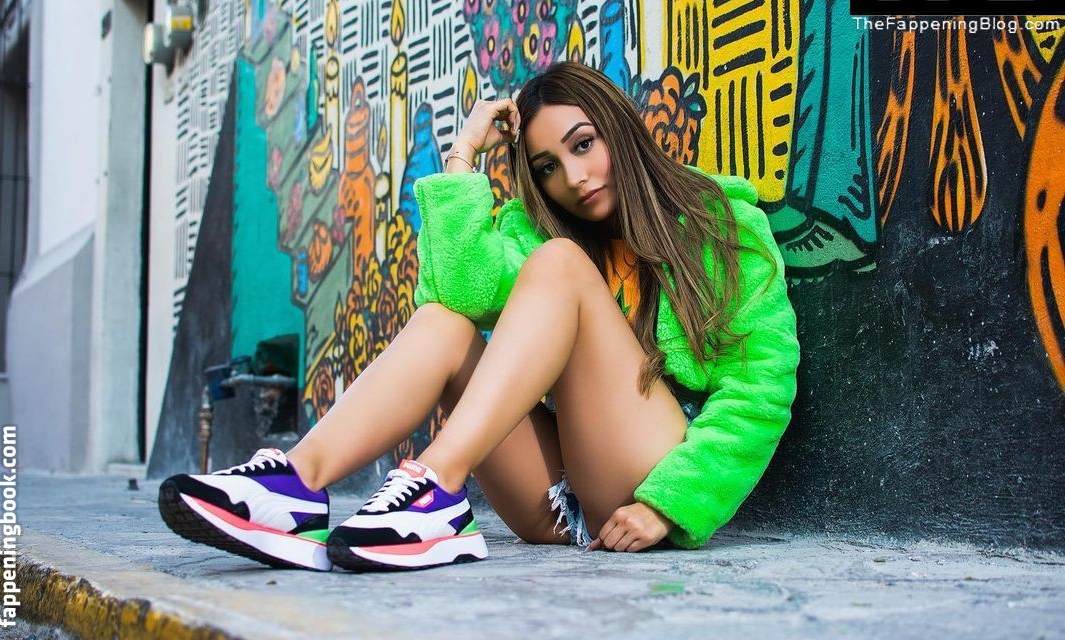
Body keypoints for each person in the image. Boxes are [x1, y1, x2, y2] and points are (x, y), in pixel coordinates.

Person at [158, 61, 800, 573]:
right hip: (556, 500)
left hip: (648, 476)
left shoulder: (720, 226)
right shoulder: (542, 231)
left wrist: (670, 506)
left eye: (584, 145)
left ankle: (435, 485)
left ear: (617, 127)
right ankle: (299, 484)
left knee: (561, 265)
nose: (574, 178)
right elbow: (457, 293)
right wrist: (464, 153)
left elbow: (760, 391)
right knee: (447, 325)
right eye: (547, 168)